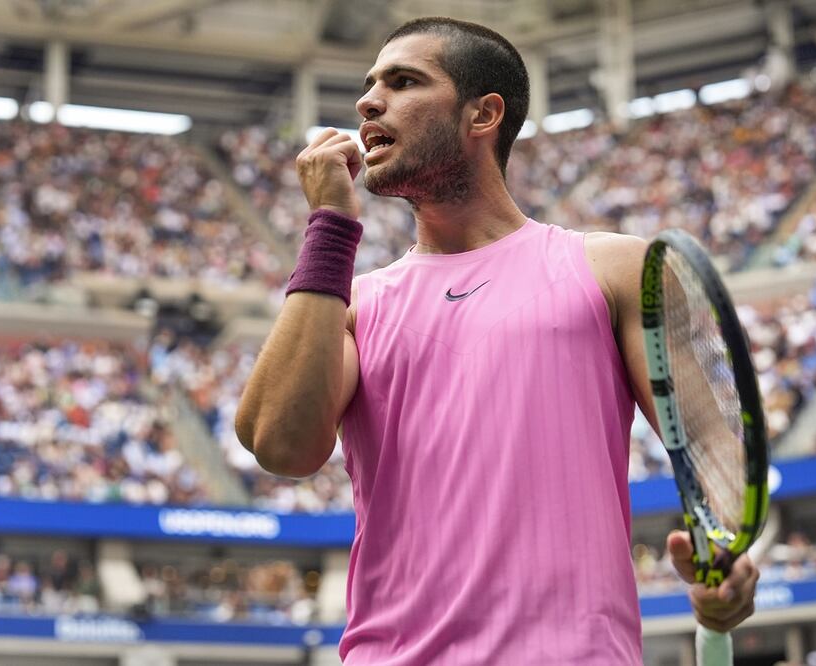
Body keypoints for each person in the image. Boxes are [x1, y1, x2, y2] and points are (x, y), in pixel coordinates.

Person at [236, 16, 759, 665]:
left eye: (402, 82)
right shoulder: (354, 306)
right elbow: (279, 444)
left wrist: (727, 564)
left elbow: (714, 448)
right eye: (369, 85)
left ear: (482, 115)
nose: (368, 101)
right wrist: (329, 229)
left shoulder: (617, 269)